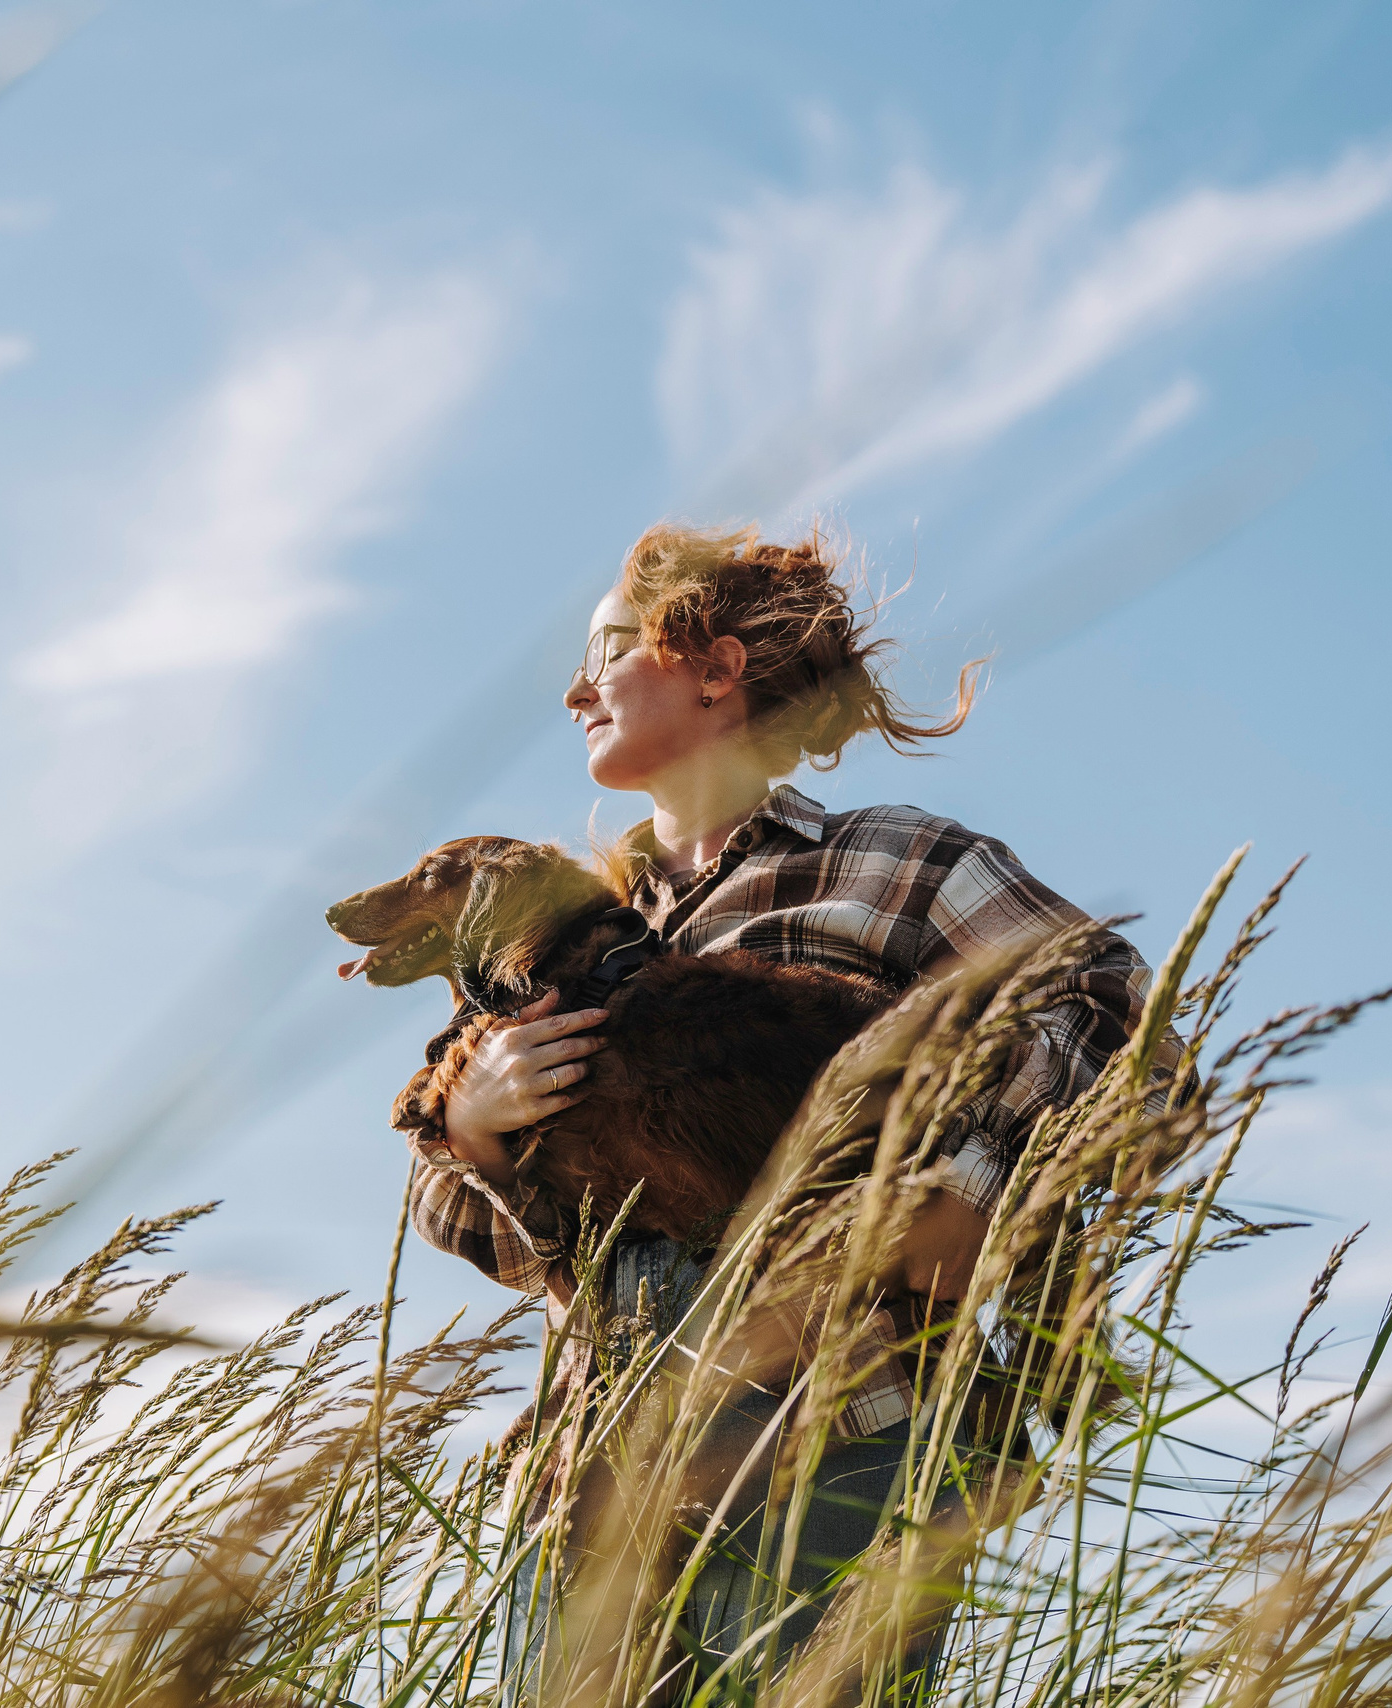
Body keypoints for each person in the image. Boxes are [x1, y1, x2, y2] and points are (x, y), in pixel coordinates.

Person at [394, 522, 1155, 1701]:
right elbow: (450, 1201)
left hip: (834, 1446)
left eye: (603, 648)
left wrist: (957, 1184)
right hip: (587, 1480)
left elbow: (1109, 1005)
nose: (572, 687)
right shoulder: (556, 929)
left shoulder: (900, 868)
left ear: (713, 663)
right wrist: (480, 1127)